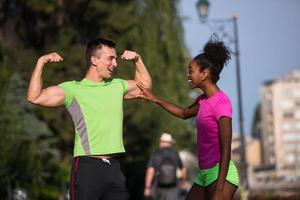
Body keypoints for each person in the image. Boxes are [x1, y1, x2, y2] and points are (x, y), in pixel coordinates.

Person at [27, 38, 152, 200]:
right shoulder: (73, 89)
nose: (115, 63)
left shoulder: (117, 85)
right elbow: (34, 97)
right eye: (110, 58)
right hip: (87, 168)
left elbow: (145, 88)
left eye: (115, 58)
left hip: (114, 169)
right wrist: (40, 62)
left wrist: (138, 60)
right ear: (94, 60)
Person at [137, 39, 239, 200]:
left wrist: (220, 188)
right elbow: (183, 113)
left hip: (220, 174)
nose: (188, 74)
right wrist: (154, 98)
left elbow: (226, 148)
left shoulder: (222, 103)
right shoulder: (203, 101)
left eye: (191, 70)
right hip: (204, 173)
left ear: (204, 74)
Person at [144, 133, 187, 200]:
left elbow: (150, 171)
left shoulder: (156, 154)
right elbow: (183, 169)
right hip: (173, 186)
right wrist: (183, 183)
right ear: (170, 143)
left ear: (161, 142)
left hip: (159, 186)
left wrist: (147, 187)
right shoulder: (175, 154)